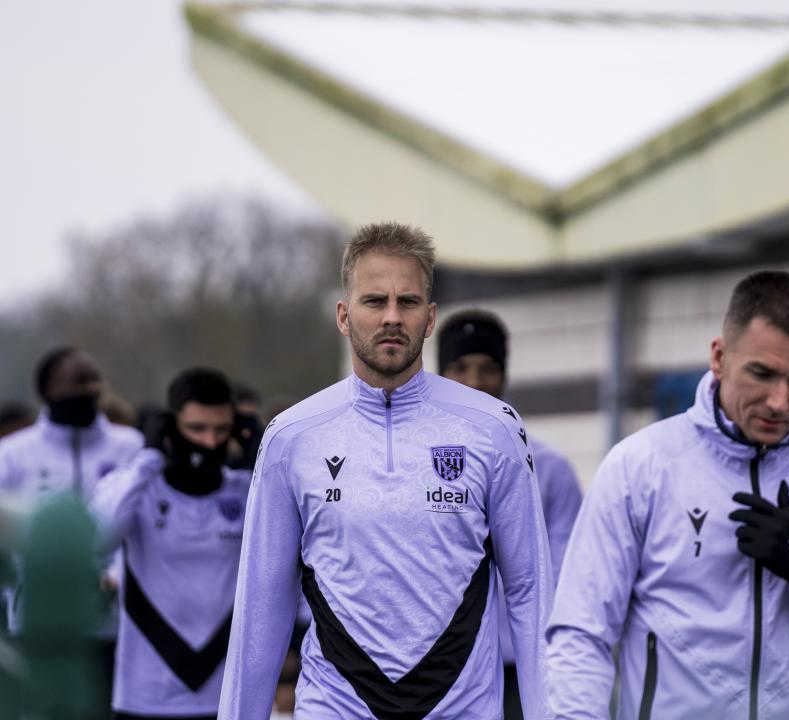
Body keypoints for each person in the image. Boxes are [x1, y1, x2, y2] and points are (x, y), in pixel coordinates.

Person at [546, 271, 789, 719]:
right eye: (762, 374)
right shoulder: (640, 466)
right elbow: (580, 636)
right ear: (719, 357)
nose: (779, 402)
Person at [219, 222, 553, 719]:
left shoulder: (495, 429)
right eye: (375, 301)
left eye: (408, 302)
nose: (392, 317)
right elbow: (261, 602)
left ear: (431, 317)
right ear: (343, 314)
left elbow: (531, 592)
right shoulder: (291, 436)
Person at [437, 309, 581, 720]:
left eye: (488, 368)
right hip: (440, 670)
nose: (474, 382)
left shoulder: (548, 468)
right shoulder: (411, 466)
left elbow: (563, 579)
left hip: (521, 668)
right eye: (459, 368)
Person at [91, 367, 253, 720]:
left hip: (227, 696)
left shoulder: (246, 490)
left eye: (221, 430)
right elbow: (97, 539)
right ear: (170, 426)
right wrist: (148, 456)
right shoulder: (137, 488)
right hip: (144, 696)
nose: (210, 442)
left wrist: (263, 458)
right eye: (196, 428)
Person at [0, 347, 142, 710]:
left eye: (95, 379)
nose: (91, 388)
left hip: (119, 624)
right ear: (48, 390)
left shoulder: (131, 446)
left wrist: (115, 576)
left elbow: (141, 531)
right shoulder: (13, 454)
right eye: (79, 381)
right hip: (38, 627)